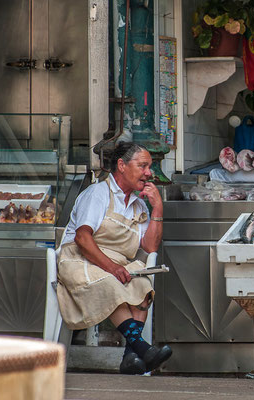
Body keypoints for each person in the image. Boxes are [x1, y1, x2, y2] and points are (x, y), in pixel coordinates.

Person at [56, 142, 172, 375]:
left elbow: (149, 247)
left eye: (149, 167)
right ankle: (141, 348)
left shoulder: (140, 204)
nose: (149, 173)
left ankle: (130, 358)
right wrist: (112, 268)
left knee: (142, 286)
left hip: (115, 263)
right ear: (121, 165)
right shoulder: (99, 193)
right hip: (81, 259)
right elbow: (82, 238)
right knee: (112, 283)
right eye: (143, 166)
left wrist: (157, 208)